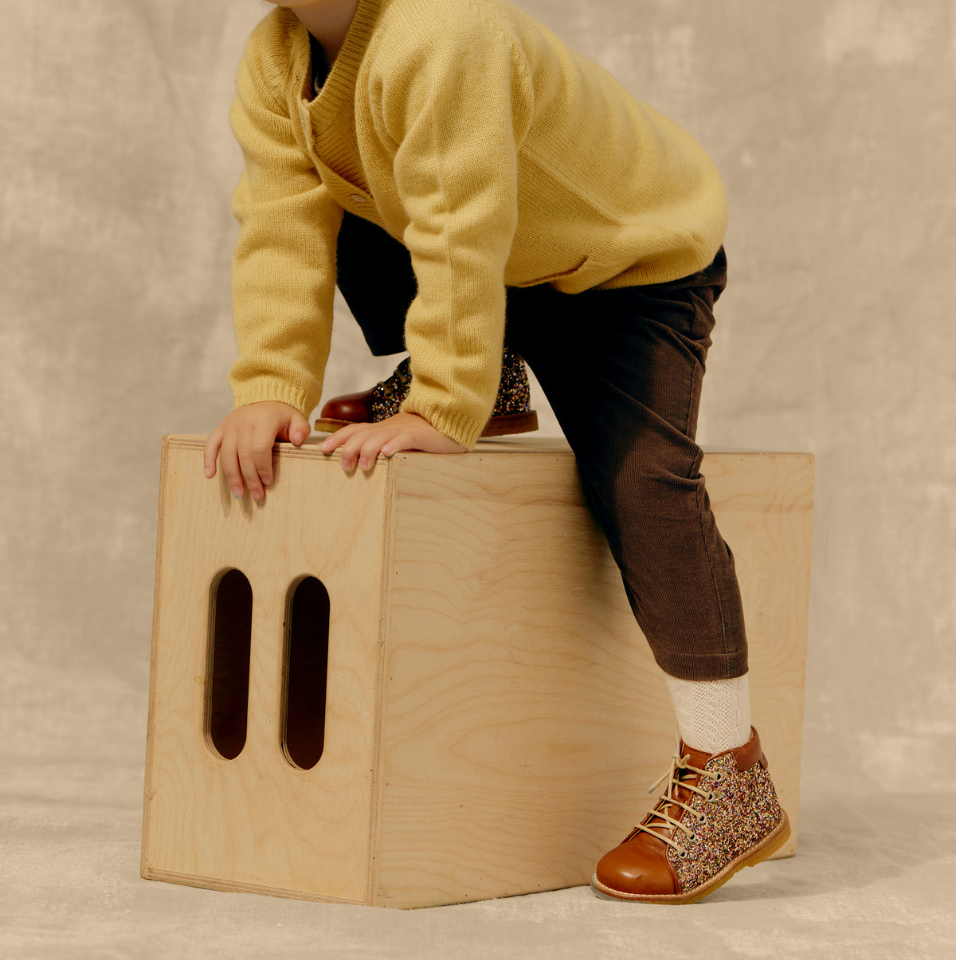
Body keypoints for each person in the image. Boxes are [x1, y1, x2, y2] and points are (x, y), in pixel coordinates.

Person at [203, 0, 790, 903]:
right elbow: (281, 222)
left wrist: (444, 404)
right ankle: (497, 367)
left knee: (644, 483)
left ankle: (730, 766)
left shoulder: (446, 31)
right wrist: (271, 388)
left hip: (625, 266)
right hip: (509, 258)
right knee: (333, 173)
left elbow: (458, 222)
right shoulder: (275, 58)